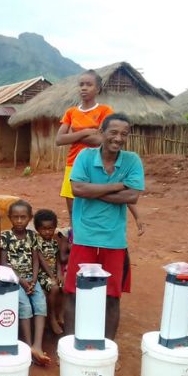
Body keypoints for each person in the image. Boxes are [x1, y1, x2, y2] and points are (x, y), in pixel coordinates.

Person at [64, 113, 145, 341]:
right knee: (73, 293)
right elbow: (78, 190)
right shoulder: (84, 156)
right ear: (102, 132)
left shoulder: (132, 160)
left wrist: (94, 190)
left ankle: (108, 347)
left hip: (114, 239)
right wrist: (117, 185)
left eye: (123, 134)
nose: (118, 138)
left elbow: (132, 196)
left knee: (112, 296)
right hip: (84, 235)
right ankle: (69, 346)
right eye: (113, 132)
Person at [55, 70, 113, 219]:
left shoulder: (105, 111)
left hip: (96, 164)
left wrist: (73, 135)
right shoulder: (71, 112)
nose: (84, 88)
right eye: (81, 85)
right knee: (73, 211)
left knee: (95, 208)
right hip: (73, 163)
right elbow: (59, 139)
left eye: (89, 84)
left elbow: (102, 141)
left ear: (98, 89)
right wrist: (86, 132)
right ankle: (75, 240)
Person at [1, 200, 51, 366]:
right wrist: (21, 281)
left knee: (40, 303)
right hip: (14, 280)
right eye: (16, 217)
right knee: (25, 306)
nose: (20, 221)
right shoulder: (5, 237)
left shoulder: (32, 236)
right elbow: (4, 263)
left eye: (23, 217)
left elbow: (36, 258)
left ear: (30, 218)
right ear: (10, 218)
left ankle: (38, 344)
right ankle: (29, 346)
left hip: (31, 278)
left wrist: (34, 279)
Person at [34, 209, 64, 335]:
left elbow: (57, 260)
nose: (47, 232)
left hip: (53, 273)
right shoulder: (37, 241)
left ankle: (61, 314)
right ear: (37, 229)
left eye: (50, 229)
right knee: (54, 288)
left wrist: (59, 274)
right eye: (43, 229)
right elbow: (41, 261)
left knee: (67, 286)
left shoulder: (54, 242)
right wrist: (52, 276)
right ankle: (51, 317)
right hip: (41, 274)